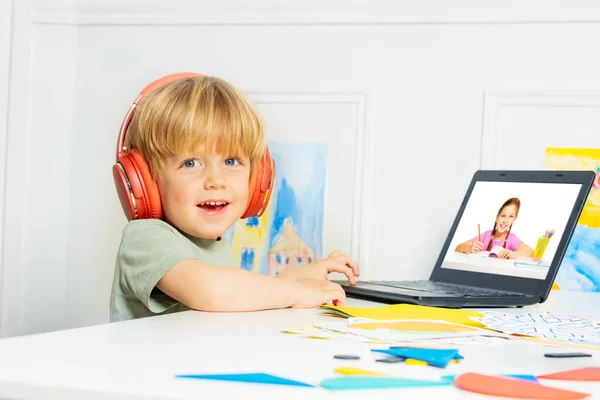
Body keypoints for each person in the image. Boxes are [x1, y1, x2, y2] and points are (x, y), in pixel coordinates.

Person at [110, 73, 359, 322]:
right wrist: (297, 291)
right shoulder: (146, 239)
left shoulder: (212, 246)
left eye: (231, 161)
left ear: (258, 176)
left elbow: (245, 292)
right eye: (191, 163)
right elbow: (215, 291)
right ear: (145, 181)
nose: (216, 181)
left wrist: (304, 276)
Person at [455, 197, 534, 259]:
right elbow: (458, 247)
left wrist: (511, 254)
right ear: (497, 217)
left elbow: (530, 252)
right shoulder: (486, 235)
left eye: (510, 217)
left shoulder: (511, 238)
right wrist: (470, 248)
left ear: (514, 219)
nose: (505, 220)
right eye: (503, 215)